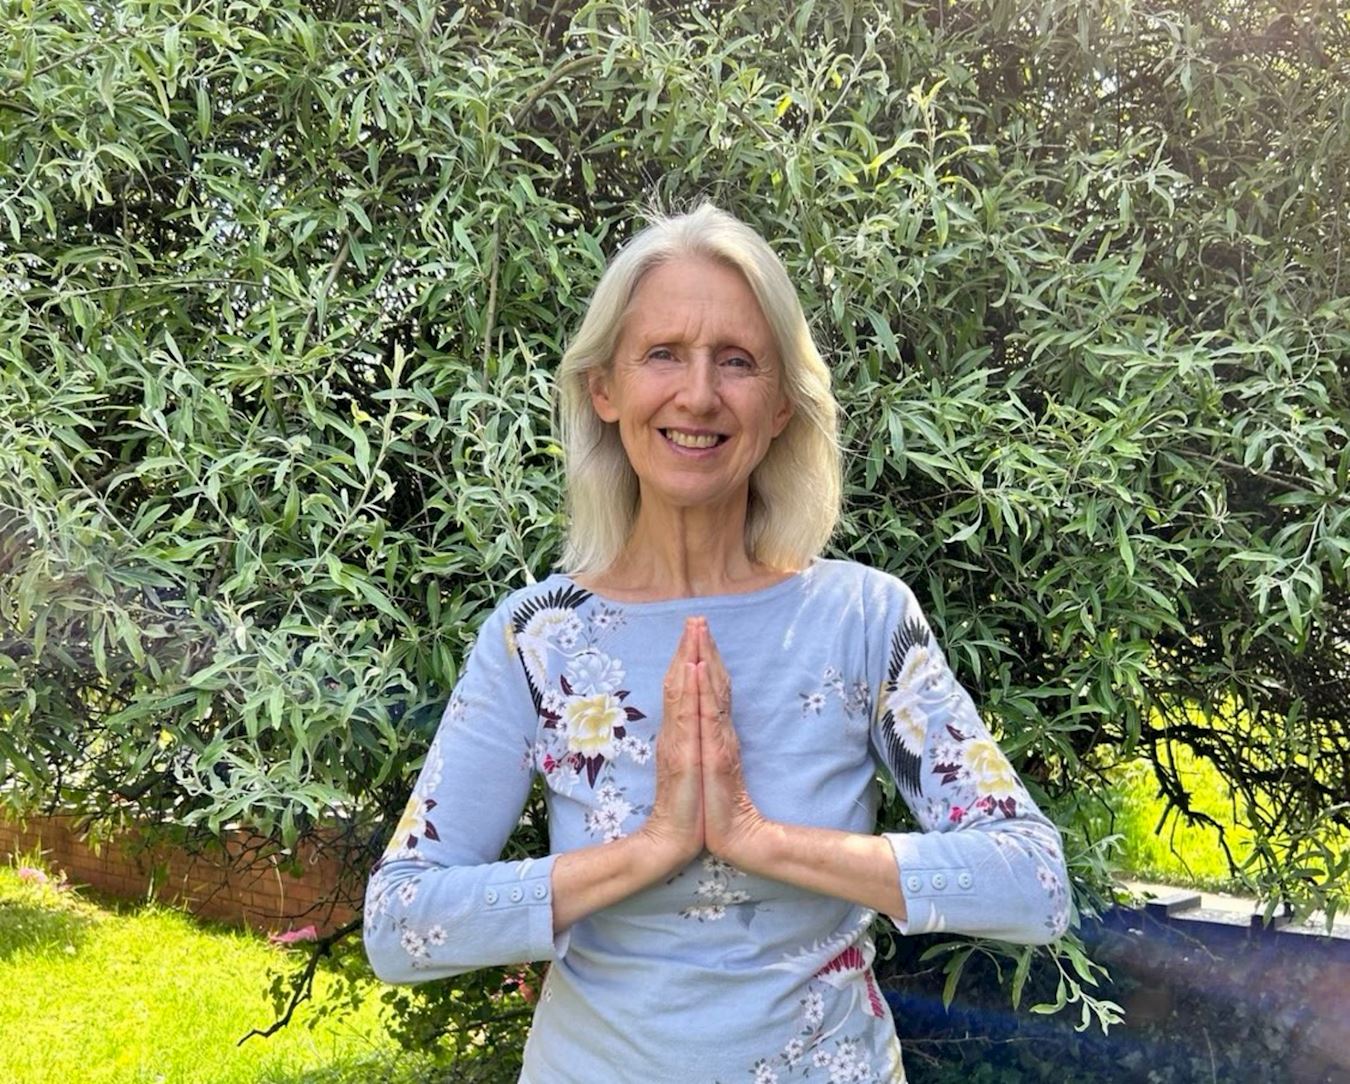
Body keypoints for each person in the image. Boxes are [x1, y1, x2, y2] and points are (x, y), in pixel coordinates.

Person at [363, 203, 1071, 1083]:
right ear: (605, 388)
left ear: (780, 405)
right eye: (663, 353)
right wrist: (652, 847)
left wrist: (755, 837)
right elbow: (400, 922)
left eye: (736, 361)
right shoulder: (536, 637)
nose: (698, 395)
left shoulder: (862, 618)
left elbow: (1033, 882)